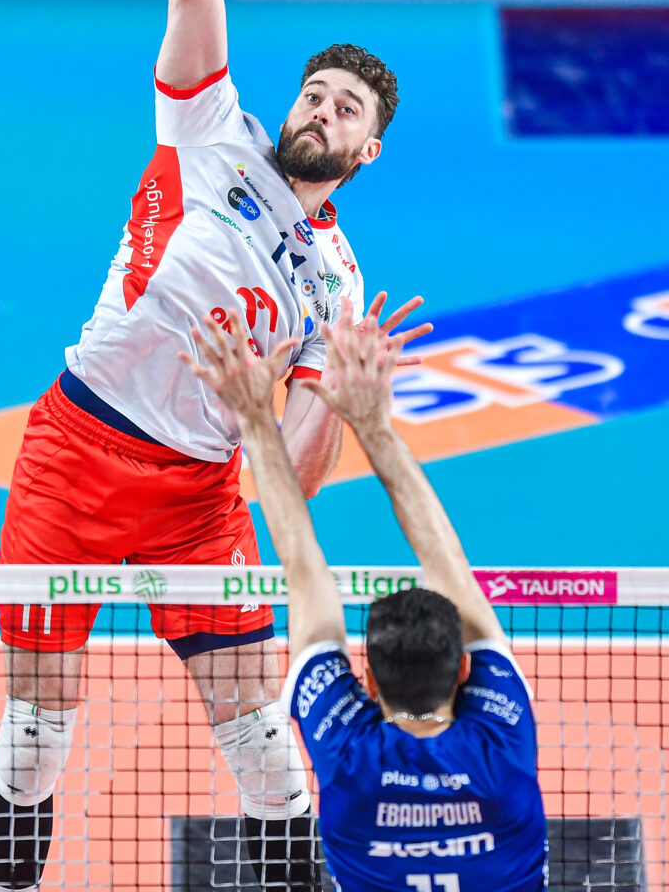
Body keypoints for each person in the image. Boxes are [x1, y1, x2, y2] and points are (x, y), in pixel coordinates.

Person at [0, 0, 434, 892]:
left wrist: (342, 399)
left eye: (346, 110)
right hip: (76, 451)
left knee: (267, 748)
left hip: (199, 500)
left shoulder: (339, 285)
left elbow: (299, 476)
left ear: (368, 151)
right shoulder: (212, 131)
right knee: (35, 730)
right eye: (315, 93)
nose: (321, 111)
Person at [185, 303, 548, 892]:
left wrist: (254, 418)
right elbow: (445, 562)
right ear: (463, 670)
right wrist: (374, 424)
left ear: (370, 681)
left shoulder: (349, 758)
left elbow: (301, 567)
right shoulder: (501, 749)